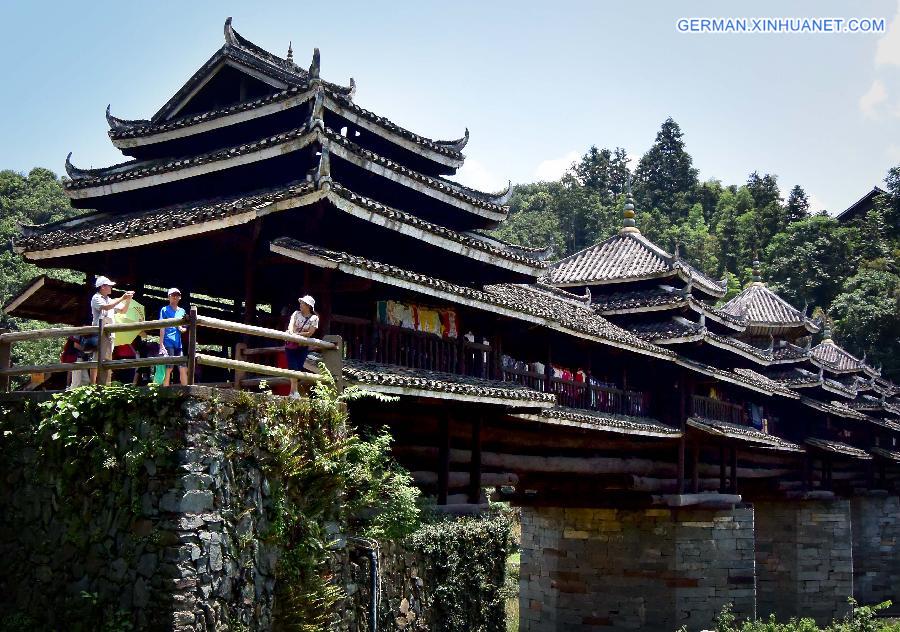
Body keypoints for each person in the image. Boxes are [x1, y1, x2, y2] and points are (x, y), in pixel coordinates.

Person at [90, 276, 134, 384]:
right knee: (96, 359)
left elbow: (123, 311)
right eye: (109, 285)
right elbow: (106, 307)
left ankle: (104, 384)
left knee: (107, 359)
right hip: (100, 333)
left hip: (109, 334)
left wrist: (128, 300)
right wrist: (122, 298)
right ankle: (92, 385)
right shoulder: (96, 298)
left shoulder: (109, 300)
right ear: (103, 287)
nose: (111, 287)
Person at [285, 295, 319, 398]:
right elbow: (291, 325)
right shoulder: (296, 313)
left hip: (303, 347)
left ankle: (292, 392)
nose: (300, 305)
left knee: (298, 369)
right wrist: (291, 332)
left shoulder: (314, 318)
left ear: (308, 306)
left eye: (302, 303)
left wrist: (296, 334)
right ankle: (294, 392)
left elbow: (310, 333)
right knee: (293, 368)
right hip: (290, 345)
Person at [159, 288, 188, 386]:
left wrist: (182, 329)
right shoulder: (164, 310)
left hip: (178, 344)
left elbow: (185, 329)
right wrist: (161, 343)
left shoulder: (182, 311)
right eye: (172, 295)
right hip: (168, 342)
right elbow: (162, 327)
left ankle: (186, 391)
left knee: (183, 367)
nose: (175, 297)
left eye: (177, 295)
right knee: (169, 368)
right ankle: (165, 390)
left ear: (180, 297)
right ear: (168, 297)